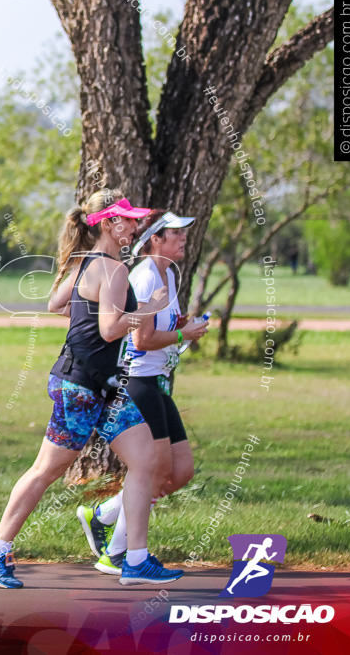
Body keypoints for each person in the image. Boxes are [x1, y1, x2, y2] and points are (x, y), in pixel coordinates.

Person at [0, 190, 185, 588]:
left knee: (145, 461)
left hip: (101, 386)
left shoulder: (90, 262)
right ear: (109, 223)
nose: (136, 226)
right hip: (81, 387)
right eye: (130, 219)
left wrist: (90, 306)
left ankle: (135, 560)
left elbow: (56, 303)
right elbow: (109, 329)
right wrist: (149, 308)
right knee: (46, 470)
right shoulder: (114, 269)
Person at [76, 210, 209, 575]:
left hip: (157, 383)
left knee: (180, 472)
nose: (183, 239)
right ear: (156, 240)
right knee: (154, 470)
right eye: (176, 234)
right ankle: (117, 553)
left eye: (184, 234)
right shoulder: (146, 276)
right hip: (137, 382)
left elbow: (157, 326)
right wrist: (185, 336)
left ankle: (102, 514)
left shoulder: (166, 273)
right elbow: (142, 339)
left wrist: (179, 324)